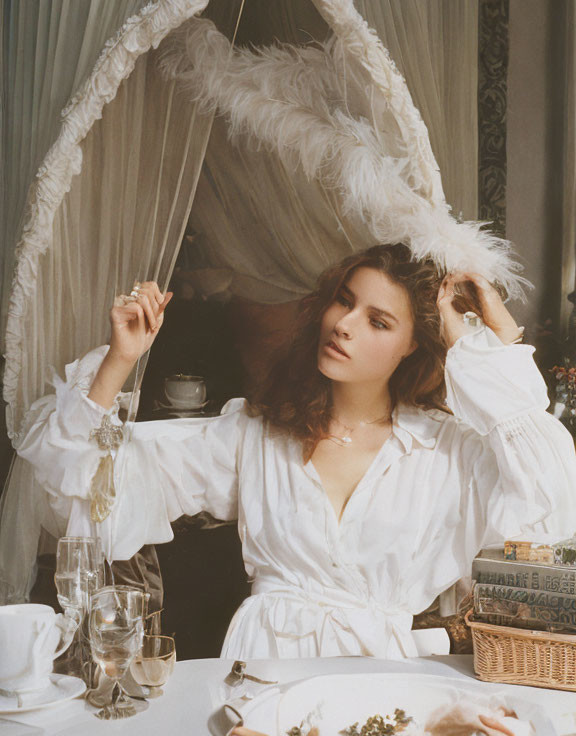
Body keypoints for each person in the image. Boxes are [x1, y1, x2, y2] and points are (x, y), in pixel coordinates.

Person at [17, 244, 576, 659]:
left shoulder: (447, 454)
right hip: (262, 676)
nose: (346, 325)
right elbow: (92, 475)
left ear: (413, 347)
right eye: (345, 302)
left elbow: (551, 507)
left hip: (386, 685)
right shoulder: (258, 434)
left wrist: (493, 345)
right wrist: (121, 358)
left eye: (378, 321)